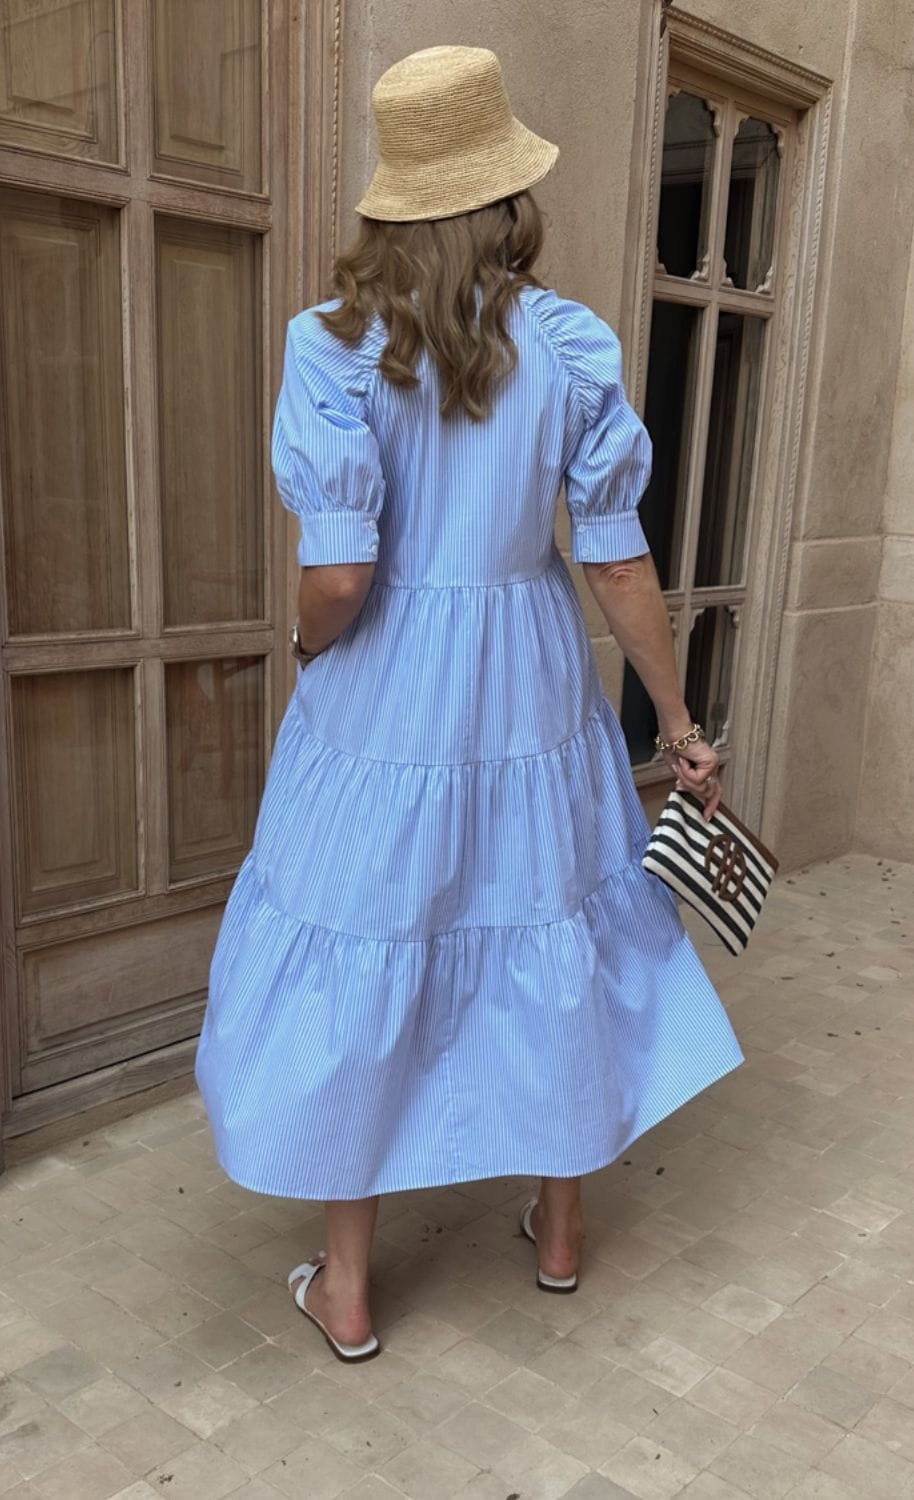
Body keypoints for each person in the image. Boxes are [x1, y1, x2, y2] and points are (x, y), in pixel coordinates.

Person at [196, 44, 744, 1363]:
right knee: (551, 916)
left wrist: (304, 645)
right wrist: (677, 727)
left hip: (382, 692)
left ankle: (347, 1286)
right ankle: (558, 1231)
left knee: (368, 934)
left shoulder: (332, 347)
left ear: (392, 203)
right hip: (531, 678)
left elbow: (340, 574)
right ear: (507, 198)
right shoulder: (571, 346)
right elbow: (616, 559)